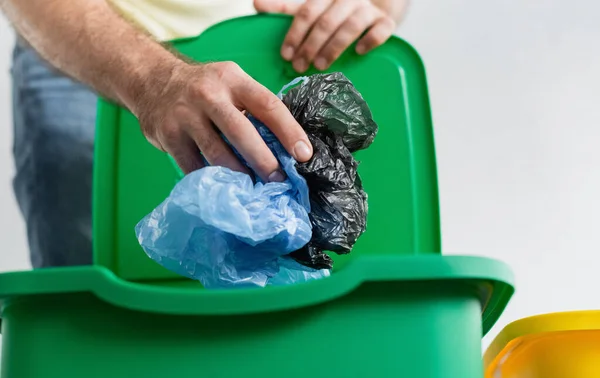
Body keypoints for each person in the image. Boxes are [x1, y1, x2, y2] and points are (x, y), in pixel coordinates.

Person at [1, 0, 409, 269]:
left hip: (290, 43)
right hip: (93, 46)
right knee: (96, 306)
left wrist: (372, 6)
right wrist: (154, 81)